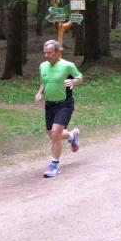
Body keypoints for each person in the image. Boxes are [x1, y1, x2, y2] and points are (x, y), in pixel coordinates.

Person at [35, 40, 84, 178]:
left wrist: (73, 81)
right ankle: (72, 136)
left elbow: (80, 78)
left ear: (57, 52)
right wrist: (39, 93)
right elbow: (44, 82)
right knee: (52, 135)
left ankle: (54, 165)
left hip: (64, 104)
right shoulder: (43, 66)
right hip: (49, 104)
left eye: (49, 53)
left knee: (56, 133)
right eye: (45, 53)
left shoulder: (67, 65)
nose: (46, 55)